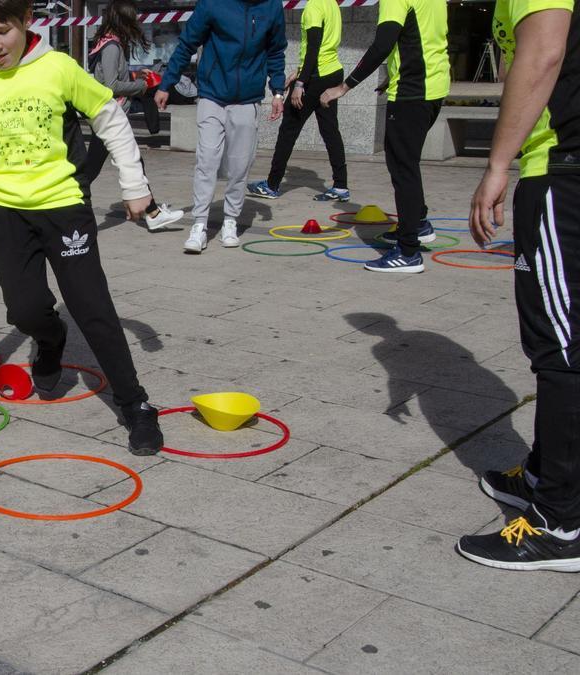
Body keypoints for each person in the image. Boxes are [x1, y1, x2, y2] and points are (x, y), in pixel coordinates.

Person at [0, 0, 164, 456]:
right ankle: (50, 340)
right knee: (25, 310)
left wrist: (135, 184)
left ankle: (136, 405)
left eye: (3, 32)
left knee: (92, 308)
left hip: (64, 207)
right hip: (4, 213)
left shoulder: (58, 67)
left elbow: (110, 118)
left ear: (26, 22)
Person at [458, 0, 580, 572]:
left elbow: (543, 52)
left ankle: (561, 521)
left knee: (559, 347)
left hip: (559, 170)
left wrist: (498, 164)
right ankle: (543, 473)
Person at [320, 0, 449, 273]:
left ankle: (408, 251)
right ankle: (416, 224)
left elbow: (383, 44)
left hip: (412, 92)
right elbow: (422, 38)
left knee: (403, 168)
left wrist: (344, 87)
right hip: (435, 87)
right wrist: (394, 74)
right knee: (407, 164)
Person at [153, 0, 286, 253]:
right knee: (207, 159)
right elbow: (187, 43)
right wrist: (165, 83)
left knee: (239, 164)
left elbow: (276, 51)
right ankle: (200, 224)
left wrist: (278, 90)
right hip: (212, 94)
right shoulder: (213, 3)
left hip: (247, 98)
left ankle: (230, 221)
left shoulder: (271, 7)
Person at [85, 0, 184, 232]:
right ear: (124, 21)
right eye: (134, 19)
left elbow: (110, 77)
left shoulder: (108, 43)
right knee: (93, 169)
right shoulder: (112, 47)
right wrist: (141, 85)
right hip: (111, 116)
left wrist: (134, 74)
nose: (137, 23)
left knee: (128, 163)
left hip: (109, 115)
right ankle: (65, 211)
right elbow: (110, 85)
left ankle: (152, 212)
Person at [248, 0, 349, 202]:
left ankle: (272, 184)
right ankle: (340, 186)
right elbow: (322, 48)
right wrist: (299, 71)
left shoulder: (313, 7)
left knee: (288, 129)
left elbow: (313, 47)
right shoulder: (331, 4)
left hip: (315, 77)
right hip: (332, 72)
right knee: (330, 130)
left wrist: (301, 83)